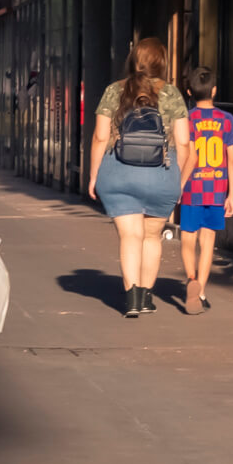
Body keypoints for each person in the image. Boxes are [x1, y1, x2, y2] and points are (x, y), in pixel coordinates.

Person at [87, 37, 192, 317]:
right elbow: (183, 143)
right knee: (152, 236)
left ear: (134, 60)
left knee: (130, 236)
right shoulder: (172, 94)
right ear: (163, 62)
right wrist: (177, 179)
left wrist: (93, 174)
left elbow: (100, 136)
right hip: (161, 173)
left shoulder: (114, 91)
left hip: (118, 171)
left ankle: (131, 298)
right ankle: (146, 297)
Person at [172, 66, 233, 314]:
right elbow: (232, 160)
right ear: (214, 90)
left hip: (192, 187)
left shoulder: (186, 120)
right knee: (208, 240)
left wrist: (177, 185)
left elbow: (184, 154)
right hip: (216, 188)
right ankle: (200, 291)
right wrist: (231, 195)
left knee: (188, 238)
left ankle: (191, 278)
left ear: (189, 92)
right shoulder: (227, 120)